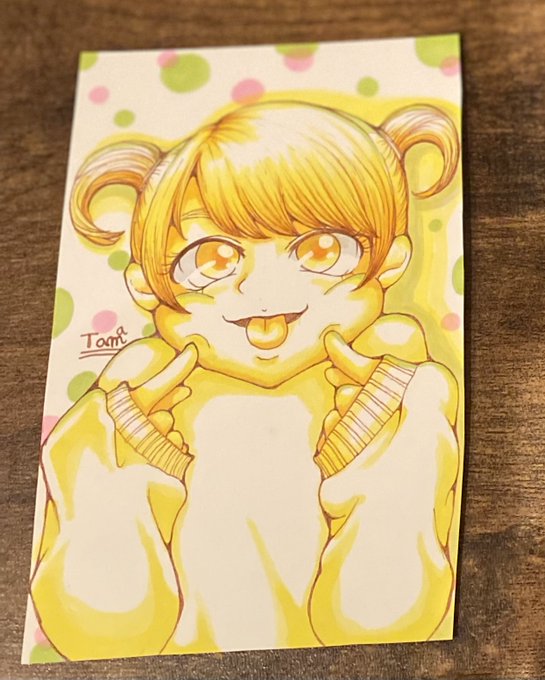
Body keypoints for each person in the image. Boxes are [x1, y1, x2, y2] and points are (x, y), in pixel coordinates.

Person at [31, 100, 460, 660]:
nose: (262, 290)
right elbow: (101, 631)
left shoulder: (392, 367)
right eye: (211, 259)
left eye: (321, 249)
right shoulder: (140, 385)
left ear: (391, 260)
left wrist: (407, 467)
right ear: (146, 286)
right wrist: (93, 478)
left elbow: (381, 623)